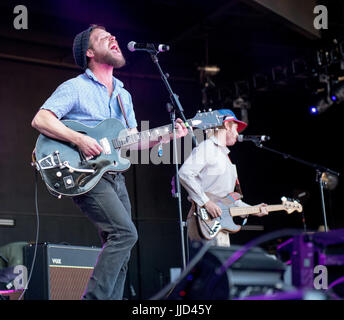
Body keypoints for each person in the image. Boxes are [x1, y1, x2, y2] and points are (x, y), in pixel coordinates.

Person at [31, 24, 188, 300]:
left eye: (112, 35)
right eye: (105, 38)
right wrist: (79, 140)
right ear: (89, 52)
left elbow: (131, 142)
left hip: (114, 173)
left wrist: (166, 136)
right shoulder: (76, 87)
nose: (113, 38)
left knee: (122, 249)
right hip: (84, 172)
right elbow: (41, 119)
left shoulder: (123, 95)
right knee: (126, 234)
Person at [178, 109, 268, 246]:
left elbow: (227, 199)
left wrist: (253, 209)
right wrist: (206, 202)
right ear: (226, 125)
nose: (238, 134)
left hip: (219, 225)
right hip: (203, 221)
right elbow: (184, 173)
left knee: (221, 266)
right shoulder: (207, 147)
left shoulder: (225, 157)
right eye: (236, 129)